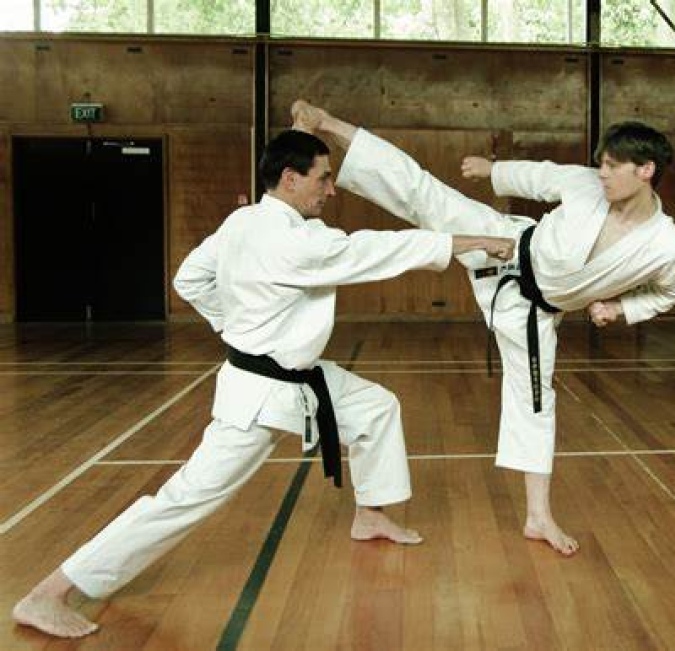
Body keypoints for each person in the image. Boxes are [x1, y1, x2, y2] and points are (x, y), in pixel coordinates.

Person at [11, 129, 516, 639]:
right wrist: (472, 240)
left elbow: (189, 278)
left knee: (375, 407)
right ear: (292, 179)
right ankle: (50, 592)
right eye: (324, 178)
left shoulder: (243, 220)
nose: (331, 189)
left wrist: (238, 327)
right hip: (259, 398)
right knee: (185, 498)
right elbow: (377, 250)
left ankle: (371, 513)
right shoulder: (298, 240)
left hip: (295, 376)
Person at [291, 100, 675, 557]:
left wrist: (621, 309)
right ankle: (326, 121)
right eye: (600, 163)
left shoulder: (668, 247)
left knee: (536, 404)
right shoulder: (586, 186)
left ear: (646, 170)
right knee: (421, 191)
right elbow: (539, 176)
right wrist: (493, 170)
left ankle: (538, 517)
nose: (600, 173)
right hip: (501, 242)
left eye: (611, 166)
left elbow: (673, 293)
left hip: (531, 313)